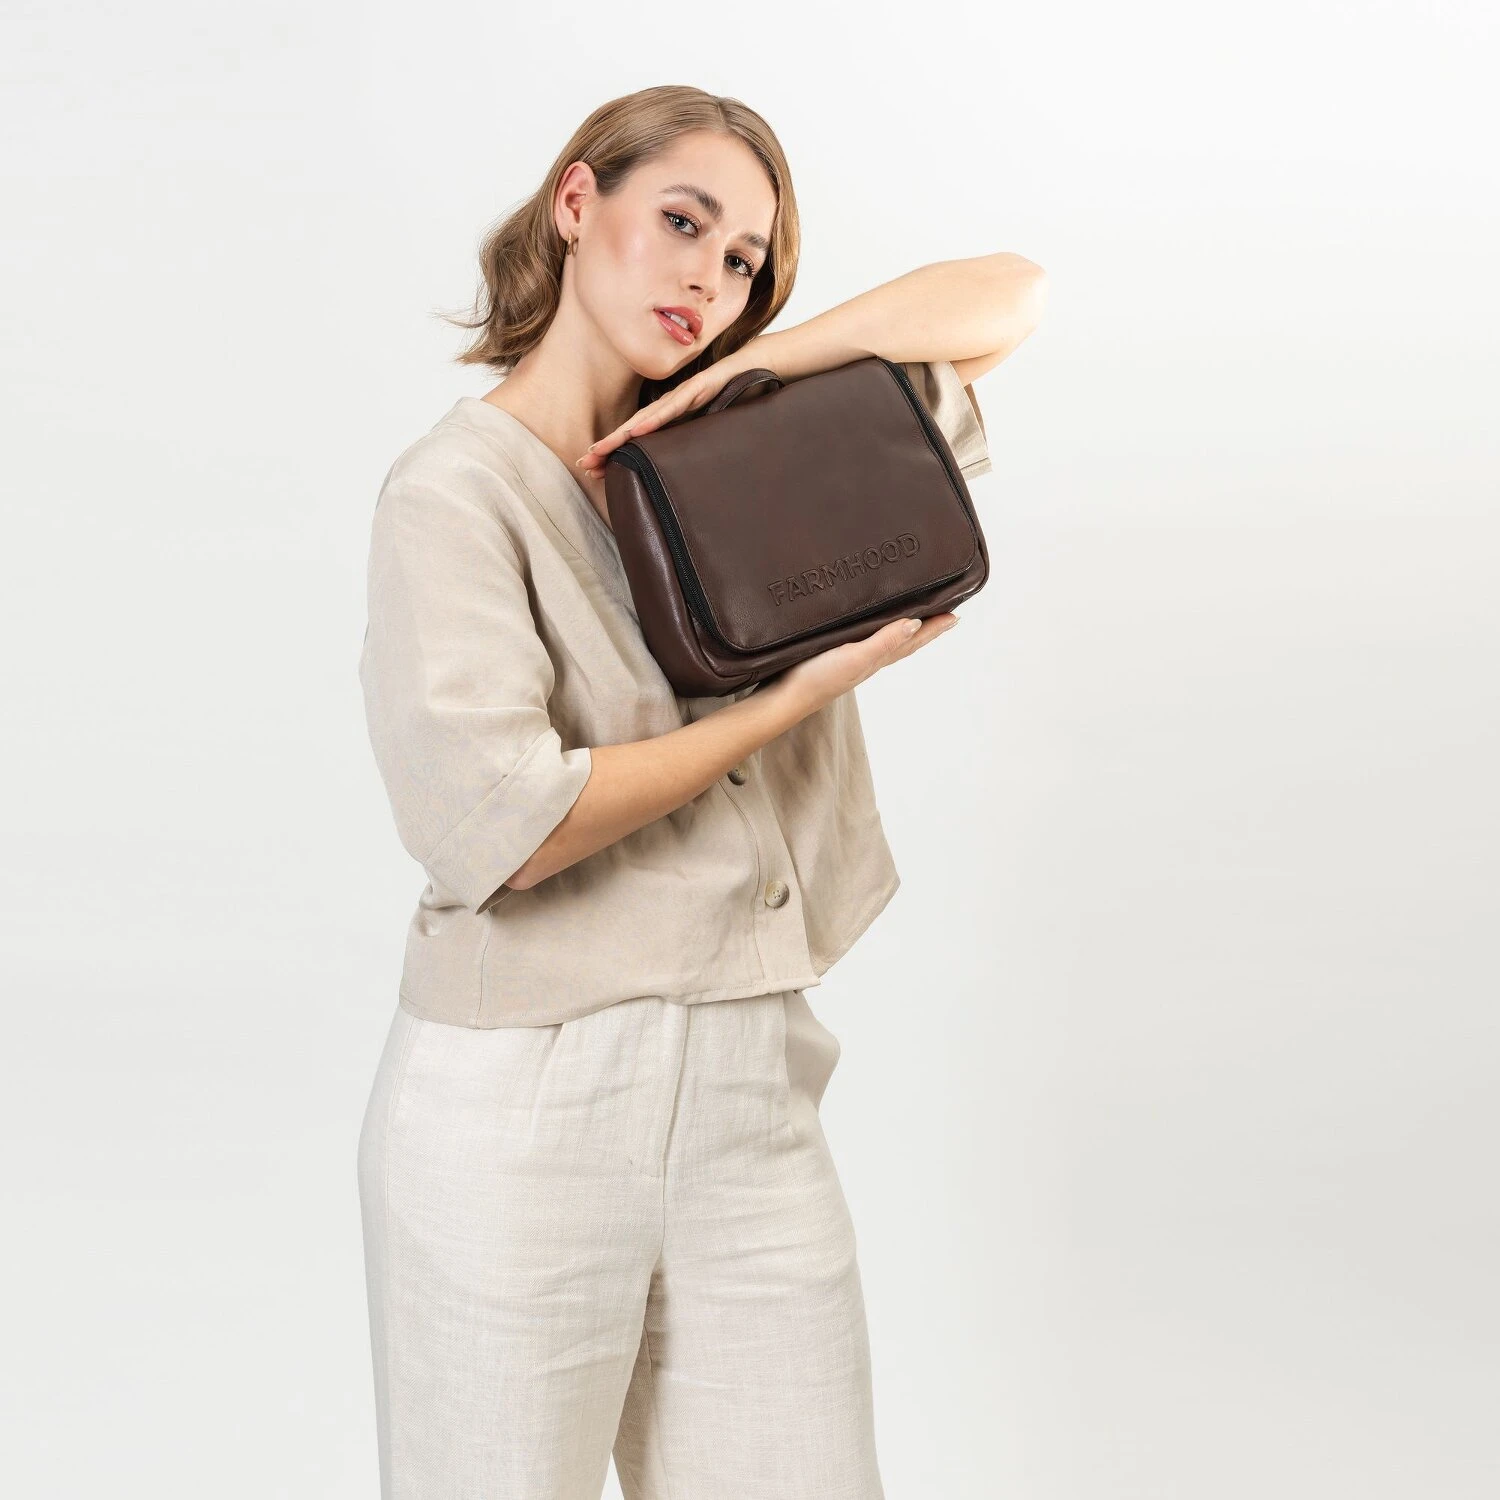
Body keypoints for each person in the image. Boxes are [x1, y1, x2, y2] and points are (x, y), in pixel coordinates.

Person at [355, 83, 1047, 1500]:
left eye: (742, 259)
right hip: (522, 1106)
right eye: (682, 222)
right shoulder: (453, 495)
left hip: (753, 1089)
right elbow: (510, 825)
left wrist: (767, 362)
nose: (709, 278)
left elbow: (1014, 294)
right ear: (575, 203)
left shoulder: (753, 455)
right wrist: (785, 701)